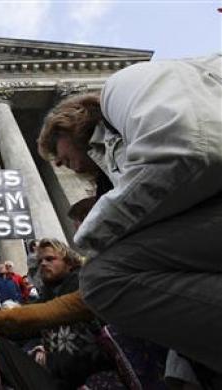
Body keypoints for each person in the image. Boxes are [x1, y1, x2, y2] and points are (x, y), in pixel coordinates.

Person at [37, 54, 222, 377]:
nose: (58, 164)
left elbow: (193, 149)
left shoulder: (121, 86)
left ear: (66, 124)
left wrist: (88, 238)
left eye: (57, 151)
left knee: (101, 277)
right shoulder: (114, 163)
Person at [0, 239, 111, 389]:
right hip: (56, 380)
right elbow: (22, 322)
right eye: (40, 261)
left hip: (92, 379)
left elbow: (48, 311)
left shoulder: (84, 285)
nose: (43, 264)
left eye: (50, 259)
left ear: (69, 263)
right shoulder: (46, 295)